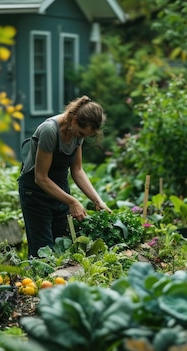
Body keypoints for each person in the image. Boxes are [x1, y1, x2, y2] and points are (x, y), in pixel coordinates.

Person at [18, 95, 111, 258]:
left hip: (59, 192)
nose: (81, 138)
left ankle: (59, 283)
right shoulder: (50, 131)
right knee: (42, 252)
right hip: (36, 194)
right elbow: (40, 178)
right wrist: (73, 201)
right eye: (81, 133)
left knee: (63, 248)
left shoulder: (77, 135)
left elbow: (77, 170)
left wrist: (98, 201)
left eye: (85, 136)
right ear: (74, 120)